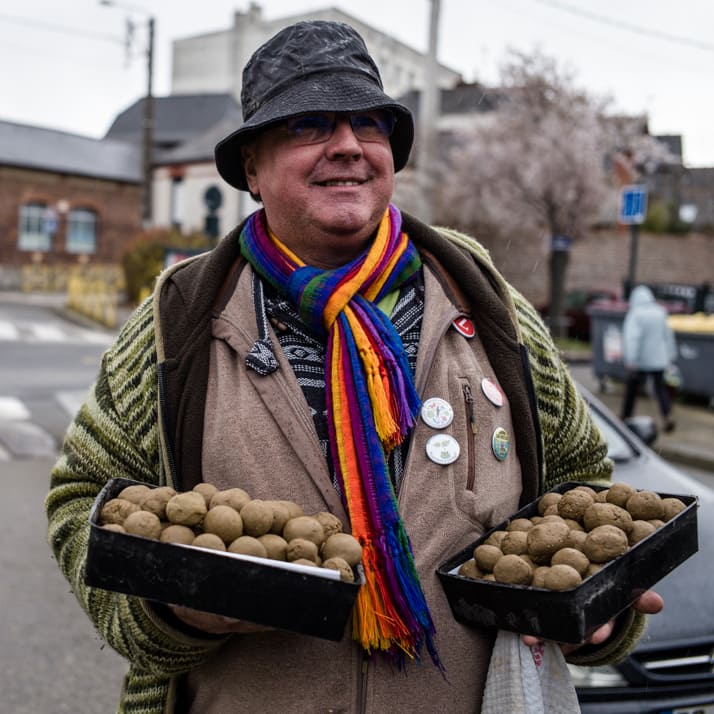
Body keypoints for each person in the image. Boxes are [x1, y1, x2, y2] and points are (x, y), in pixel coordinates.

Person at [45, 20, 663, 714]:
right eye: (309, 125)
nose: (347, 146)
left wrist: (594, 613)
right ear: (251, 167)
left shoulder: (487, 303)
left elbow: (582, 480)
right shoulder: (177, 322)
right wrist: (172, 617)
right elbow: (84, 501)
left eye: (369, 124)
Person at [621, 284, 677, 432]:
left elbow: (632, 338)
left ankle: (626, 417)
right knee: (660, 389)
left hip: (640, 361)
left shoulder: (635, 314)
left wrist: (630, 359)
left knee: (632, 389)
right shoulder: (660, 312)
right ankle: (667, 416)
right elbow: (668, 336)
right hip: (659, 360)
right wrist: (670, 356)